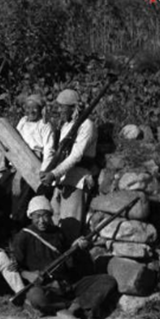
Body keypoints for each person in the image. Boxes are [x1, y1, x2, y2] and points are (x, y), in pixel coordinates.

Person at [12, 196, 118, 319]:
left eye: (45, 216)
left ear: (50, 216)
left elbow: (70, 262)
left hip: (67, 284)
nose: (42, 221)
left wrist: (78, 249)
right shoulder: (23, 236)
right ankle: (73, 306)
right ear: (30, 216)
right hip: (46, 288)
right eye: (37, 216)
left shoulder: (58, 233)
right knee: (36, 297)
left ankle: (77, 306)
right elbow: (15, 267)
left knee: (107, 280)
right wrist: (28, 274)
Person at [39, 89, 98, 242]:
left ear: (73, 108)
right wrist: (47, 172)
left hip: (76, 181)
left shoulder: (87, 126)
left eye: (62, 107)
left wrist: (54, 174)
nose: (59, 110)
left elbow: (76, 156)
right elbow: (58, 153)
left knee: (70, 229)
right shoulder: (66, 126)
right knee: (53, 224)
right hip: (61, 181)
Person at [10, 94, 56, 225]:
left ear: (41, 109)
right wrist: (13, 162)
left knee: (24, 191)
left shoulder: (45, 125)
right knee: (5, 184)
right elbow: (14, 139)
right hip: (19, 158)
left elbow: (49, 150)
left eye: (34, 108)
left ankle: (19, 221)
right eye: (28, 108)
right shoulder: (23, 121)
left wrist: (44, 170)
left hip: (34, 161)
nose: (31, 111)